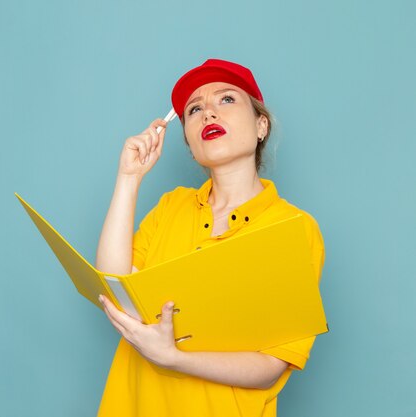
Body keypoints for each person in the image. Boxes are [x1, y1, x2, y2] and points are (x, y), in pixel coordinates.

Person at [95, 59, 325, 417]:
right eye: (194, 109)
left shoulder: (293, 227)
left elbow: (272, 365)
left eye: (227, 99)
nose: (208, 114)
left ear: (261, 125)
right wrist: (129, 178)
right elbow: (113, 288)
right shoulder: (171, 207)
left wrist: (172, 359)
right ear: (187, 138)